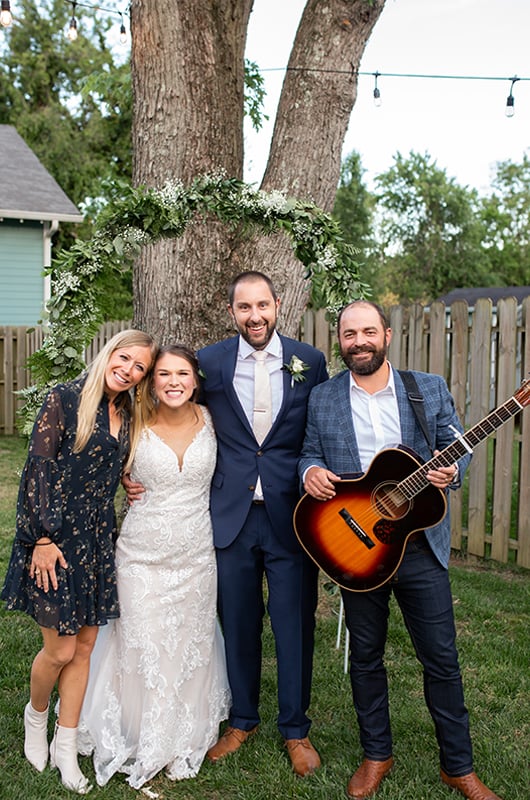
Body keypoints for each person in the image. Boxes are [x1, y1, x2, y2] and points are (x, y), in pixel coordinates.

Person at [298, 300, 503, 800]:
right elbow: (308, 452)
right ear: (340, 341)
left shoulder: (426, 388)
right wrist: (311, 473)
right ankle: (376, 754)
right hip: (356, 544)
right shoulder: (323, 397)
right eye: (350, 334)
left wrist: (451, 471)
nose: (359, 341)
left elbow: (460, 443)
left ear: (387, 335)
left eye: (369, 331)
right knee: (366, 657)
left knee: (441, 659)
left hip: (417, 545)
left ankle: (459, 767)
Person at [1, 329, 157, 794]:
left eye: (138, 368)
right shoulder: (65, 398)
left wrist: (127, 480)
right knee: (60, 650)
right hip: (55, 538)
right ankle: (36, 715)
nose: (127, 370)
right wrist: (42, 538)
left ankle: (66, 748)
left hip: (96, 539)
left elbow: (111, 464)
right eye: (124, 358)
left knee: (85, 649)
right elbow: (39, 470)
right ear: (109, 352)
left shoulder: (126, 412)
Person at [78, 344, 231, 789]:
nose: (173, 381)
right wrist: (123, 479)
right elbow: (99, 470)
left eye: (182, 373)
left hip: (197, 555)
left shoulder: (214, 423)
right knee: (140, 644)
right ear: (151, 382)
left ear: (196, 380)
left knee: (188, 643)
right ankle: (136, 729)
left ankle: (183, 728)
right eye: (163, 374)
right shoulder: (132, 424)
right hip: (141, 557)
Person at [198, 270, 328, 777]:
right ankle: (242, 718)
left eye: (263, 305)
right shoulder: (208, 363)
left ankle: (296, 729)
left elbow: (317, 431)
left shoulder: (310, 362)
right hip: (229, 515)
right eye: (244, 308)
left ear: (278, 305)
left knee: (294, 625)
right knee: (238, 622)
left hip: (291, 516)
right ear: (231, 312)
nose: (255, 316)